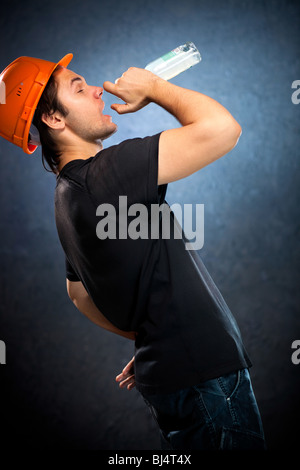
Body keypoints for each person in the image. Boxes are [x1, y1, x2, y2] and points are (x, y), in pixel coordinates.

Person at [0, 53, 266, 450]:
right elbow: (222, 129)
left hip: (177, 376)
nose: (95, 91)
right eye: (78, 88)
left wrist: (151, 338)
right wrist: (156, 88)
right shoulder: (107, 173)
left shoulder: (67, 197)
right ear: (54, 119)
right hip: (206, 379)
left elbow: (78, 293)